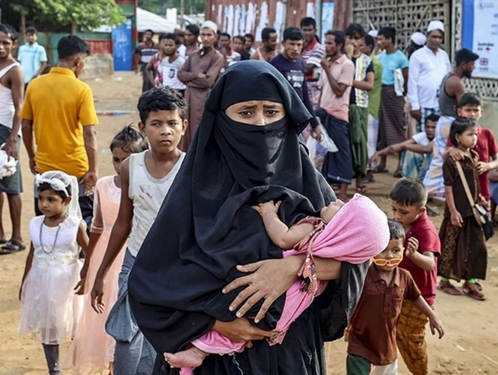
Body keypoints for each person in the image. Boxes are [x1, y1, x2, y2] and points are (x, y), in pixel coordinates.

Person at [127, 61, 370, 375]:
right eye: (246, 113)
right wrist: (217, 323)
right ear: (222, 119)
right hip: (214, 361)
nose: (260, 123)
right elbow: (149, 283)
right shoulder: (195, 189)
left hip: (290, 354)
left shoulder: (306, 182)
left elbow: (357, 257)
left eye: (271, 112)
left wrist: (293, 267)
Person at [163, 195, 390, 371]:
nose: (337, 199)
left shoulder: (315, 227)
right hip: (287, 312)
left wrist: (269, 213)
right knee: (249, 330)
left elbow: (283, 238)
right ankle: (201, 351)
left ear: (345, 225)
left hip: (269, 302)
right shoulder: (343, 246)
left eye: (343, 206)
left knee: (237, 313)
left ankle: (199, 350)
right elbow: (357, 263)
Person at [90, 87, 187, 374]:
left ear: (184, 125)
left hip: (177, 265)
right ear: (143, 128)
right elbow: (123, 222)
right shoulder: (131, 167)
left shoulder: (190, 169)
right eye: (156, 124)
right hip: (136, 262)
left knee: (171, 335)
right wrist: (102, 271)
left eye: (172, 123)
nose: (165, 131)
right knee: (127, 334)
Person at [65, 127, 148, 374]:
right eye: (115, 159)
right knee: (106, 312)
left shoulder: (144, 185)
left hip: (134, 257)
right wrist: (89, 267)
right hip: (106, 258)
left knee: (129, 313)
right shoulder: (102, 185)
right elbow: (97, 227)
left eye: (127, 159)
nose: (120, 165)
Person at [20, 34, 98, 232]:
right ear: (78, 61)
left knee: (46, 223)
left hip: (45, 167)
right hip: (76, 168)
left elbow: (26, 126)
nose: (84, 67)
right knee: (80, 224)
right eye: (85, 63)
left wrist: (32, 156)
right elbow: (89, 133)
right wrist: (93, 170)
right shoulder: (82, 89)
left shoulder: (35, 85)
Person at [345, 219, 444, 375]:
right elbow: (349, 298)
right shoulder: (363, 274)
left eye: (396, 250)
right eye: (383, 250)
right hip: (360, 342)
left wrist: (432, 316)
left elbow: (416, 297)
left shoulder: (404, 277)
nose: (389, 256)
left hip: (387, 346)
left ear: (403, 250)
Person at [18, 171, 88, 375]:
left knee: (71, 321)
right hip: (40, 279)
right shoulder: (35, 224)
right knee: (47, 324)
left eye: (51, 199)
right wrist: (24, 283)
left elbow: (90, 251)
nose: (44, 204)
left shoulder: (74, 226)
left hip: (67, 282)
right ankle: (54, 368)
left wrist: (86, 277)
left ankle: (79, 360)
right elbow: (32, 254)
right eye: (41, 199)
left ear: (66, 200)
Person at [390, 179, 441, 375]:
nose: (396, 216)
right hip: (398, 290)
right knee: (388, 334)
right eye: (394, 209)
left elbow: (429, 263)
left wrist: (413, 255)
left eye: (403, 212)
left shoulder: (425, 230)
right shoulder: (401, 223)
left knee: (411, 342)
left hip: (418, 297)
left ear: (420, 211)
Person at [439, 117, 488, 301]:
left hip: (472, 211)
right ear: (458, 136)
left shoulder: (473, 156)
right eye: (470, 134)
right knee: (451, 246)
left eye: (476, 134)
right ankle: (445, 280)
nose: (474, 138)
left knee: (476, 246)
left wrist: (479, 198)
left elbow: (473, 183)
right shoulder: (452, 159)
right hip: (458, 212)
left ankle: (470, 280)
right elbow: (449, 187)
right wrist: (452, 211)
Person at [0, 24, 26, 255]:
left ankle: (18, 237)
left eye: (6, 42)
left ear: (13, 44)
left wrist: (12, 139)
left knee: (11, 186)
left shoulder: (15, 70)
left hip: (7, 131)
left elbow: (20, 107)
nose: (1, 46)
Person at [424, 49, 480, 198]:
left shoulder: (449, 77)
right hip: (450, 123)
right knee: (443, 159)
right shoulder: (457, 83)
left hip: (444, 122)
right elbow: (465, 109)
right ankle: (425, 193)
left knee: (440, 158)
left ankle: (431, 192)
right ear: (464, 64)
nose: (473, 67)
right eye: (472, 64)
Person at [316, 30, 355, 201]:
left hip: (338, 114)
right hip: (324, 113)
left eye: (330, 43)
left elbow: (339, 90)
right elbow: (322, 89)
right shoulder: (328, 63)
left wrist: (326, 68)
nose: (327, 46)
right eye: (326, 43)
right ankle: (327, 192)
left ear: (339, 45)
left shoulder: (347, 65)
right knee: (325, 154)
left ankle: (344, 194)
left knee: (342, 153)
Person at [445, 93, 498, 203]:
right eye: (468, 110)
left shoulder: (487, 134)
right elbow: (445, 155)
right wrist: (451, 150)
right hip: (461, 190)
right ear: (459, 111)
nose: (472, 114)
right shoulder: (456, 133)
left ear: (481, 112)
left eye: (476, 110)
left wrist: (487, 165)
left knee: (482, 218)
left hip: (483, 189)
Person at [178, 21, 224, 152]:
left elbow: (208, 82)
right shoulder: (193, 54)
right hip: (188, 97)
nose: (205, 38)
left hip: (203, 99)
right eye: (203, 34)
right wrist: (196, 75)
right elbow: (180, 74)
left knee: (199, 129)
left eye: (209, 34)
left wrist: (189, 79)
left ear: (215, 37)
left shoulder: (217, 57)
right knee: (185, 128)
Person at [344, 23, 374, 193]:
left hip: (360, 106)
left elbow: (369, 84)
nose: (353, 42)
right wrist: (347, 57)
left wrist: (350, 82)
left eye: (356, 38)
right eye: (351, 38)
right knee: (345, 143)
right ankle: (344, 180)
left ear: (362, 40)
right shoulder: (342, 58)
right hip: (342, 105)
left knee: (360, 142)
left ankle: (359, 179)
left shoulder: (367, 61)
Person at [375, 26, 409, 175]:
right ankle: (382, 163)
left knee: (397, 127)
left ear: (390, 40)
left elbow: (406, 78)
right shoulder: (380, 57)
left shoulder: (400, 57)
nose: (379, 42)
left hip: (394, 94)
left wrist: (403, 95)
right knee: (382, 129)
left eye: (382, 39)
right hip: (381, 93)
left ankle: (401, 165)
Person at [269, 27, 318, 129]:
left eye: (299, 45)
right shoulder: (275, 64)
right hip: (280, 120)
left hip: (296, 120)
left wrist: (314, 124)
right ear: (283, 43)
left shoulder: (300, 64)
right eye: (292, 44)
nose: (295, 49)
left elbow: (304, 95)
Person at [407, 21, 451, 133]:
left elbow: (449, 78)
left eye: (439, 37)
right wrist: (415, 105)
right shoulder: (417, 56)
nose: (437, 40)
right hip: (423, 104)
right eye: (434, 37)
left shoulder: (444, 55)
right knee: (424, 136)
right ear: (427, 36)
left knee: (440, 136)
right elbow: (412, 81)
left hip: (441, 105)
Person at [372, 114, 438, 181]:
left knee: (431, 152)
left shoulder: (440, 138)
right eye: (428, 127)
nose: (430, 130)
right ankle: (410, 181)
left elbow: (427, 149)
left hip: (435, 171)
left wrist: (404, 146)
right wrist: (378, 153)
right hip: (423, 168)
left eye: (433, 127)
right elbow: (396, 147)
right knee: (409, 151)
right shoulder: (422, 135)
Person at [363, 34, 383, 175]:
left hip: (370, 106)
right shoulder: (366, 61)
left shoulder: (373, 64)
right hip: (365, 106)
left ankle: (369, 170)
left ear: (369, 47)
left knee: (369, 141)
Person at [301, 17, 326, 110]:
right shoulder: (300, 46)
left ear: (315, 31)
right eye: (304, 30)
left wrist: (298, 51)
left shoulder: (319, 48)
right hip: (299, 90)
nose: (307, 33)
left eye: (310, 30)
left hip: (312, 92)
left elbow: (307, 69)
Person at [17, 26, 47, 91]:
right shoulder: (22, 48)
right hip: (23, 78)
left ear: (36, 37)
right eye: (28, 35)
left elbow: (43, 64)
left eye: (32, 35)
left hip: (35, 79)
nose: (30, 37)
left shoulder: (40, 49)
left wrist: (37, 74)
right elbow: (19, 62)